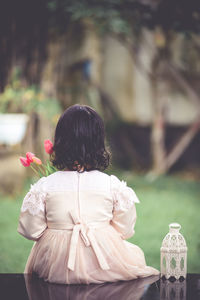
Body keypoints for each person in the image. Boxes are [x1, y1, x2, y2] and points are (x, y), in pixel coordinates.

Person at [18, 104, 159, 284]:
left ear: (60, 142)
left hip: (55, 268)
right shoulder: (112, 186)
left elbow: (31, 230)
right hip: (106, 267)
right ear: (99, 142)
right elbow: (125, 229)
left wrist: (59, 229)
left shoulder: (45, 186)